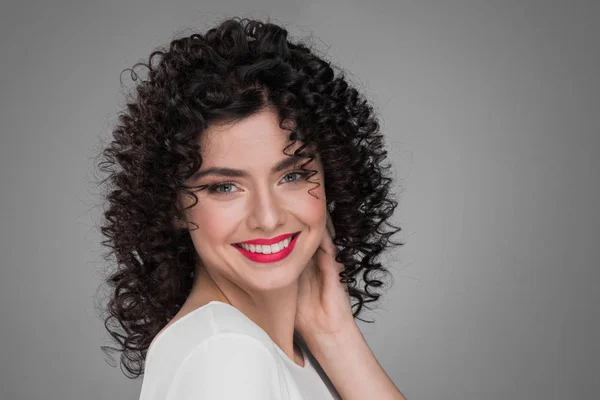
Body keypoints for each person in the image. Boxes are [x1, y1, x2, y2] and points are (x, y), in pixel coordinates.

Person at [96, 17, 406, 399]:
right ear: (173, 206)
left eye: (292, 176)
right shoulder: (225, 355)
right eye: (225, 186)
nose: (268, 217)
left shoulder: (282, 349)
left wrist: (337, 337)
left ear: (332, 178)